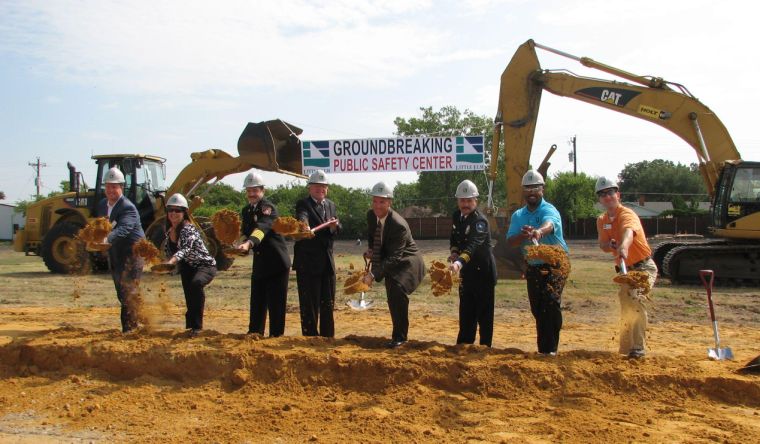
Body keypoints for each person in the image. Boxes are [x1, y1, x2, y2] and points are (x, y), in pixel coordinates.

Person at [506, 170, 569, 355]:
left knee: (550, 302)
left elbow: (550, 224)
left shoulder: (549, 209)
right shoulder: (518, 215)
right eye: (528, 188)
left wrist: (539, 232)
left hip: (556, 263)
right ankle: (544, 349)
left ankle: (550, 350)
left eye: (536, 188)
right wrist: (523, 235)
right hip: (533, 265)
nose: (532, 191)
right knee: (537, 307)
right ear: (523, 191)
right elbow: (511, 241)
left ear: (542, 189)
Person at [595, 177, 657, 359]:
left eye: (610, 193)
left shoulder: (627, 214)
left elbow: (629, 232)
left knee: (635, 299)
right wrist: (611, 245)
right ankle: (626, 348)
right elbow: (603, 245)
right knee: (626, 304)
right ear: (600, 200)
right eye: (602, 194)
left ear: (618, 195)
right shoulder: (602, 220)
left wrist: (623, 247)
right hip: (624, 270)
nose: (607, 197)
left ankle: (638, 348)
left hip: (643, 267)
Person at [362, 182, 425, 348]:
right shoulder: (371, 215)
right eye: (375, 201)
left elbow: (396, 257)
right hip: (392, 257)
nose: (377, 205)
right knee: (391, 292)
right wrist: (371, 250)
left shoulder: (398, 224)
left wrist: (373, 274)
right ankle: (398, 334)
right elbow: (373, 235)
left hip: (408, 261)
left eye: (382, 202)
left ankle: (400, 338)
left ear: (390, 202)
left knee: (396, 289)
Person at [236, 172, 291, 337]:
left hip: (277, 262)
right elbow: (245, 232)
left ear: (262, 191)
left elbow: (262, 229)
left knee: (276, 304)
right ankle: (255, 333)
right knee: (257, 300)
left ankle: (276, 336)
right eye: (249, 191)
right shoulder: (246, 210)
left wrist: (248, 243)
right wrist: (238, 243)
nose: (252, 194)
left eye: (255, 190)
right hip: (260, 262)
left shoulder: (269, 209)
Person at [448, 180, 497, 347]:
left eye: (469, 200)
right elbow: (455, 238)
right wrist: (454, 252)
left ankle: (485, 349)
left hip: (483, 273)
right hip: (467, 274)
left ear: (476, 200)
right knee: (466, 311)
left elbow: (473, 246)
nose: (465, 204)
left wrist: (458, 263)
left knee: (484, 315)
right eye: (462, 200)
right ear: (458, 201)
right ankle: (464, 345)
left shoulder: (480, 222)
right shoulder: (457, 216)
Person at [161, 193, 217, 337]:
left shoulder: (188, 229)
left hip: (205, 265)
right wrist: (163, 264)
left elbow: (185, 249)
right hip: (187, 267)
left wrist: (171, 261)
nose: (173, 213)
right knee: (189, 295)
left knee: (196, 284)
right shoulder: (169, 232)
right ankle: (190, 328)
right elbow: (168, 251)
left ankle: (197, 328)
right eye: (170, 210)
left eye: (178, 210)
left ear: (184, 213)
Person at [293, 170, 341, 337]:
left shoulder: (331, 205)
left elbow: (335, 228)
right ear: (310, 188)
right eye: (316, 186)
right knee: (309, 303)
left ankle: (328, 336)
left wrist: (334, 226)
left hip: (327, 263)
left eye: (323, 186)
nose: (320, 189)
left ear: (327, 188)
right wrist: (305, 226)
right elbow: (302, 217)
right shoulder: (303, 204)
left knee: (327, 302)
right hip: (308, 263)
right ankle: (310, 337)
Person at [97, 166, 146, 333]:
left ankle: (129, 329)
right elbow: (100, 225)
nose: (110, 189)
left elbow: (123, 229)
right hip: (116, 253)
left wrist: (106, 239)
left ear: (121, 187)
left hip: (133, 253)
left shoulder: (127, 207)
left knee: (128, 290)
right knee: (121, 291)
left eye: (114, 186)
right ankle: (140, 315)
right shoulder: (103, 204)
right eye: (108, 186)